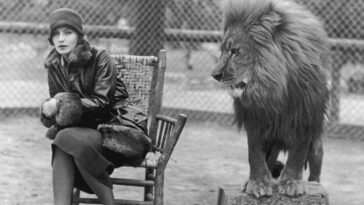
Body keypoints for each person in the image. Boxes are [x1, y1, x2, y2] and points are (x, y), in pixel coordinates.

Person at [40, 8, 150, 205]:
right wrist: (50, 110)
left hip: (119, 131)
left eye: (68, 32)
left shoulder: (100, 57)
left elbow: (101, 104)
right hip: (83, 134)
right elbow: (59, 113)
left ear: (80, 36)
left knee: (66, 138)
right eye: (56, 34)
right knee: (63, 140)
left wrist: (60, 104)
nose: (61, 39)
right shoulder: (55, 65)